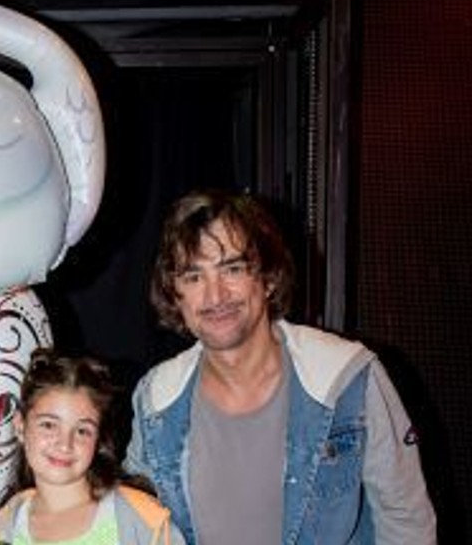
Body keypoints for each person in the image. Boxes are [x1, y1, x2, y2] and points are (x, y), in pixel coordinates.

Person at [124, 188, 437, 545]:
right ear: (174, 294)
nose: (215, 296)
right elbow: (129, 525)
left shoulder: (347, 378)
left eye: (232, 269)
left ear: (269, 279)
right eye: (194, 277)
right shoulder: (156, 400)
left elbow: (406, 519)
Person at [0, 347, 186, 545]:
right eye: (49, 425)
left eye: (82, 431)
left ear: (98, 438)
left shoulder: (140, 519)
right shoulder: (7, 524)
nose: (65, 444)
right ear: (20, 427)